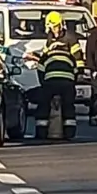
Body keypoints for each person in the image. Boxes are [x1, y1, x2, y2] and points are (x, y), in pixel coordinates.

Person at [28, 10, 84, 140]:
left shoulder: (70, 37)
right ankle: (68, 131)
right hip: (67, 80)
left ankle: (42, 131)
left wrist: (43, 82)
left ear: (61, 25)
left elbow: (78, 57)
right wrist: (75, 77)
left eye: (56, 27)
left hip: (53, 80)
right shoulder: (50, 37)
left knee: (45, 104)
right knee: (68, 105)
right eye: (52, 28)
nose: (54, 30)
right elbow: (46, 55)